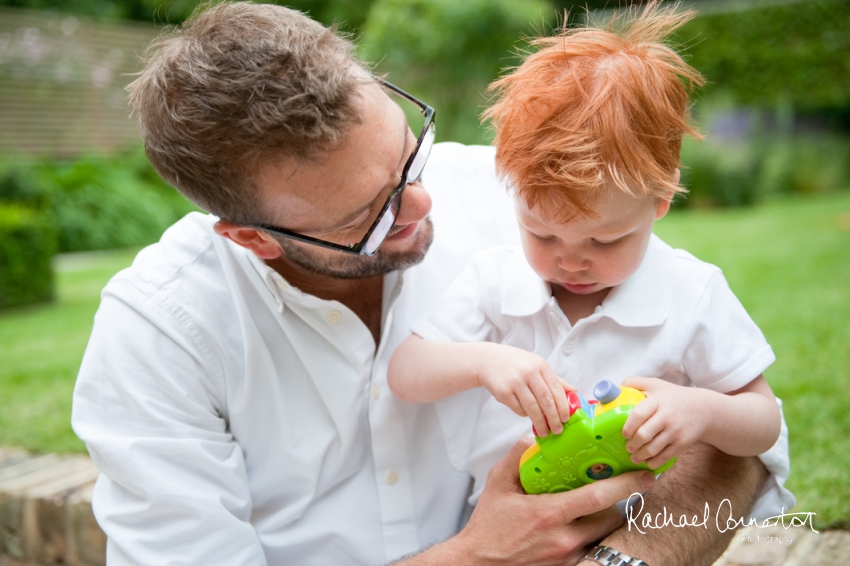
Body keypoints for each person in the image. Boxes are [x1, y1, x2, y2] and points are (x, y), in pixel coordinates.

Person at [70, 2, 792, 565]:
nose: (422, 204)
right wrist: (477, 557)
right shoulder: (158, 336)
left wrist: (616, 560)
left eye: (410, 157)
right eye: (369, 212)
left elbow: (740, 445)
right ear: (252, 239)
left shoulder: (518, 195)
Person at [387, 5, 785, 475]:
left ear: (660, 199)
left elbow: (765, 421)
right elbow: (405, 373)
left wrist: (702, 410)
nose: (570, 261)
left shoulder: (691, 293)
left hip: (641, 522)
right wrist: (483, 363)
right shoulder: (496, 279)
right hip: (510, 520)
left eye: (603, 241)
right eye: (542, 233)